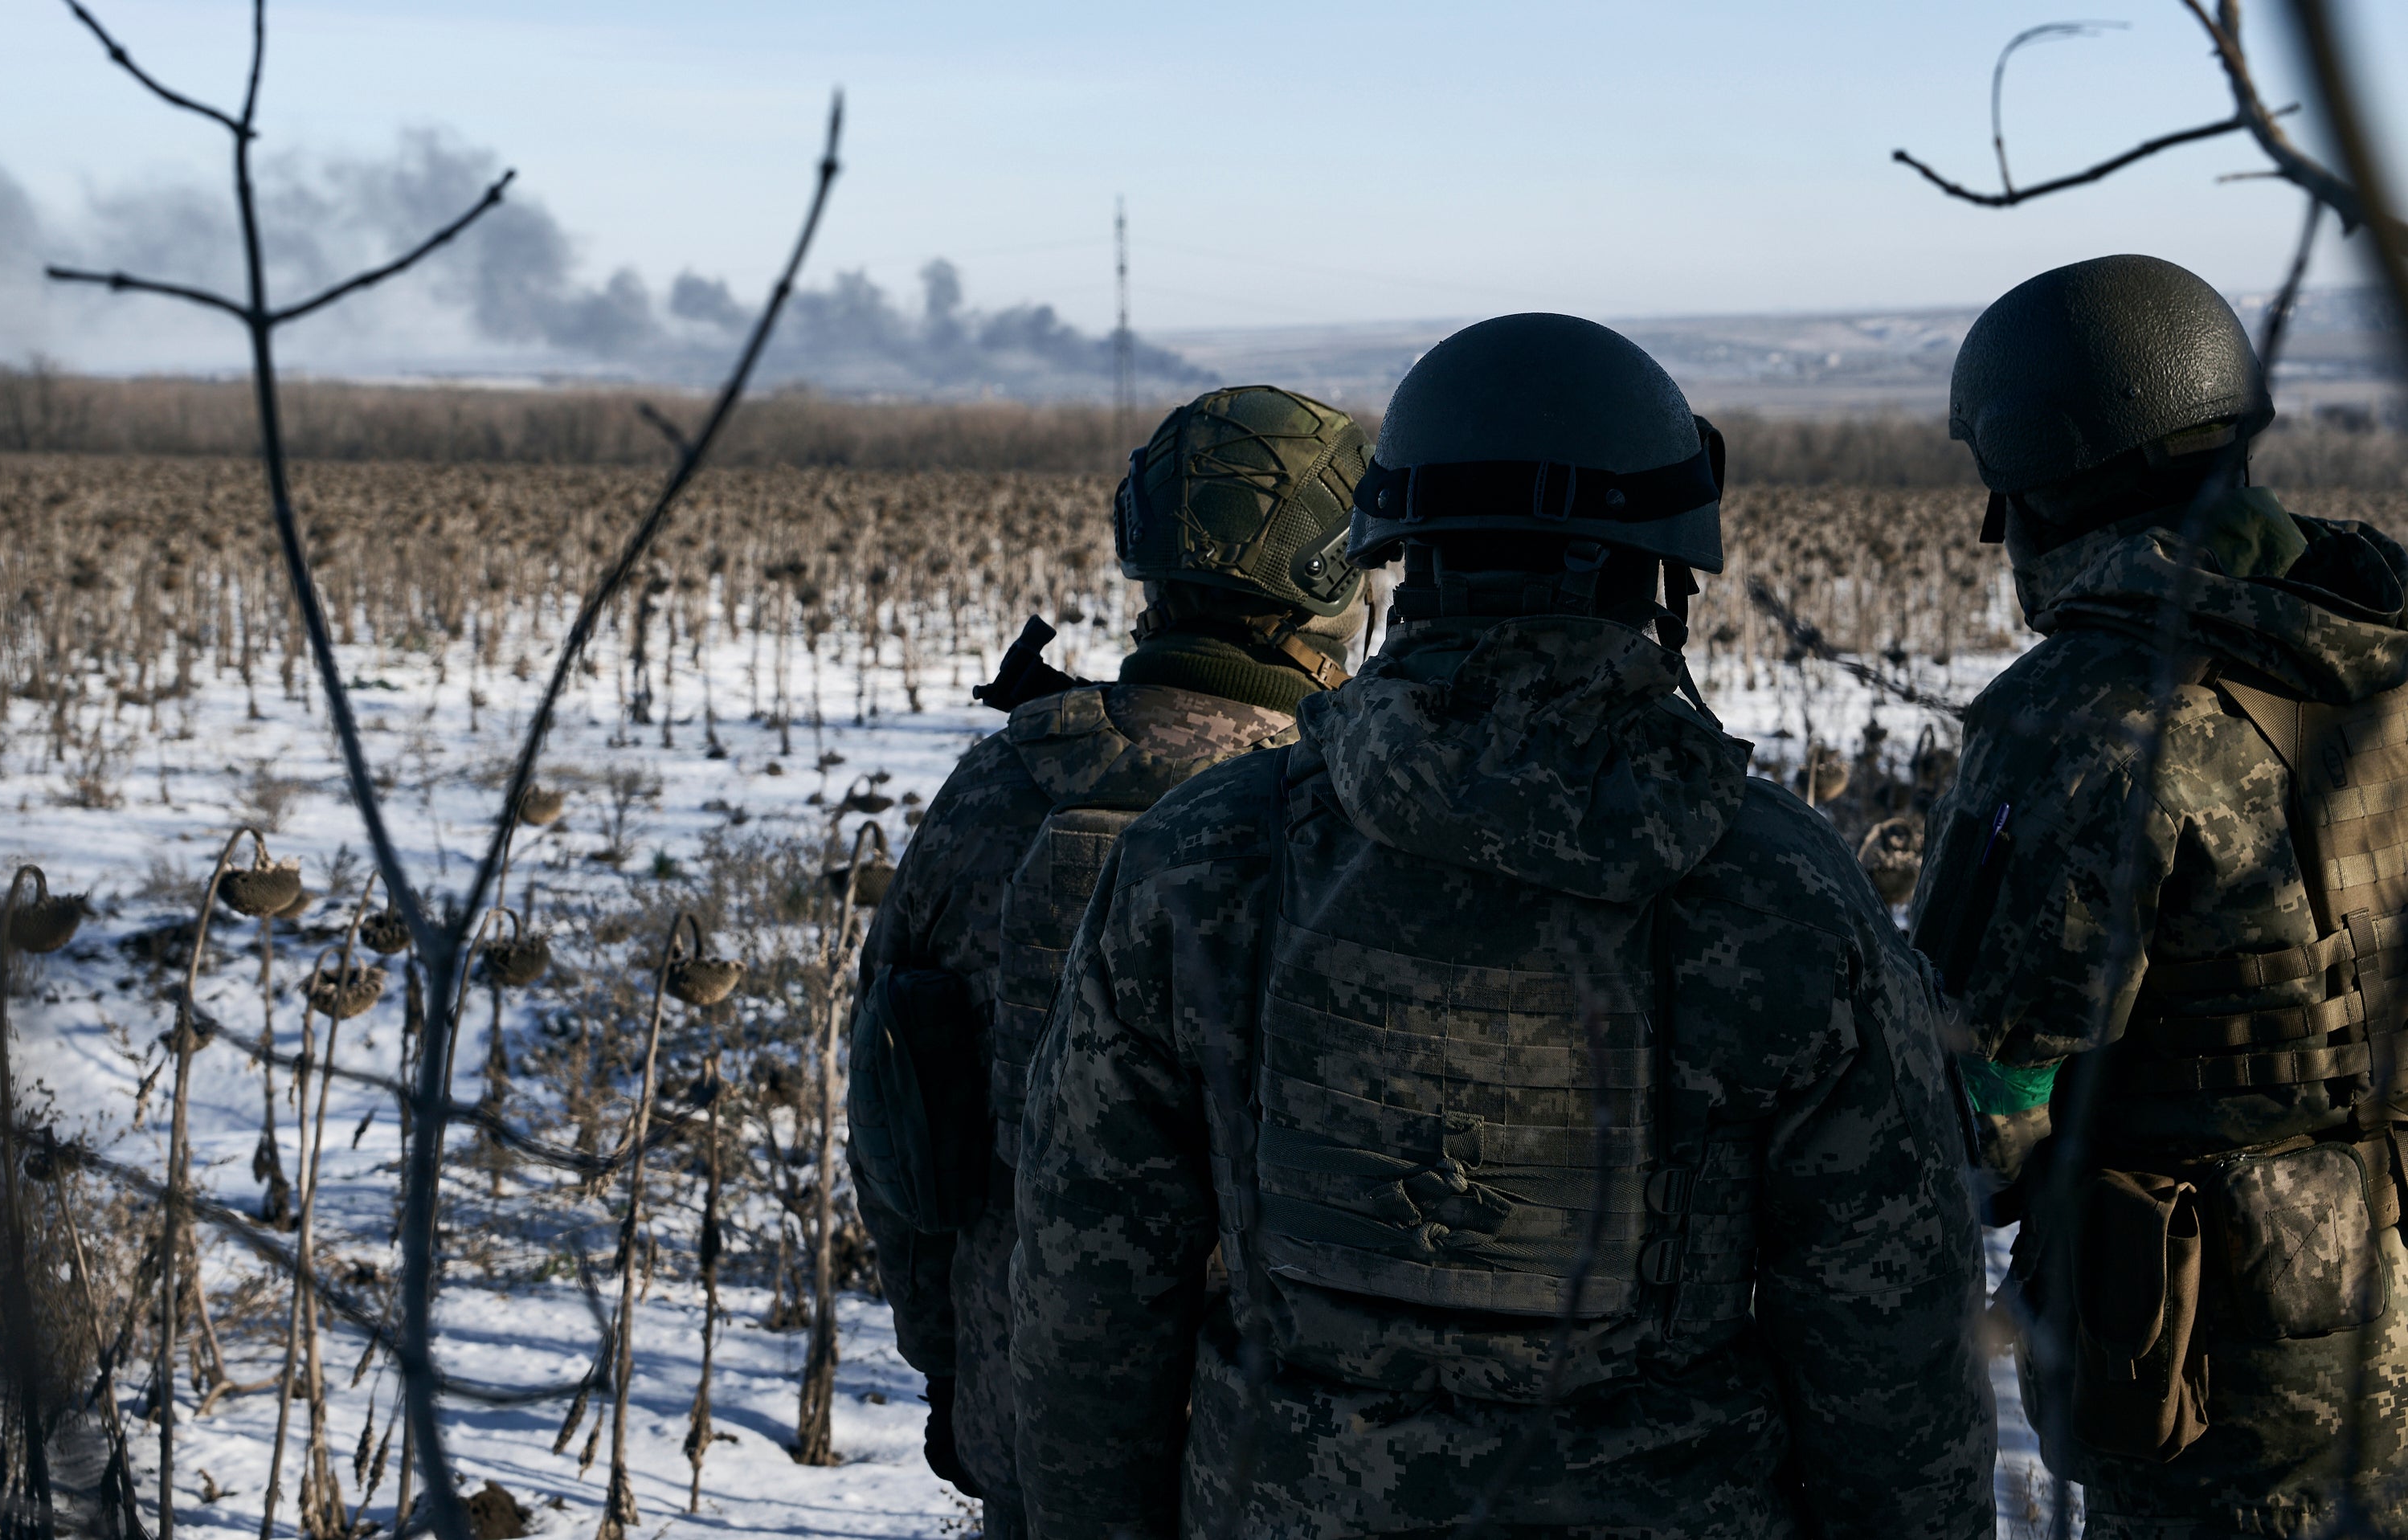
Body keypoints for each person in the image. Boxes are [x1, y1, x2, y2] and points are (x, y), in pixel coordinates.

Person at [1012, 313, 1995, 1538]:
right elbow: (1891, 1348)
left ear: (1393, 551)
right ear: (1663, 571)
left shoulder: (1200, 859)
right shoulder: (1783, 891)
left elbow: (1087, 1302)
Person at [1911, 253, 2408, 1537]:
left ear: (2041, 473)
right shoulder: (2386, 650)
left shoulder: (2085, 715)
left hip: (2230, 1364)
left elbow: (1979, 1084)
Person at [847, 384, 1376, 1539]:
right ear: (1334, 580)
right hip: (1291, 1471)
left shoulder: (998, 788)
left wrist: (958, 1374)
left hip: (1028, 1436)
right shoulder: (1358, 816)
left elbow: (897, 1137)